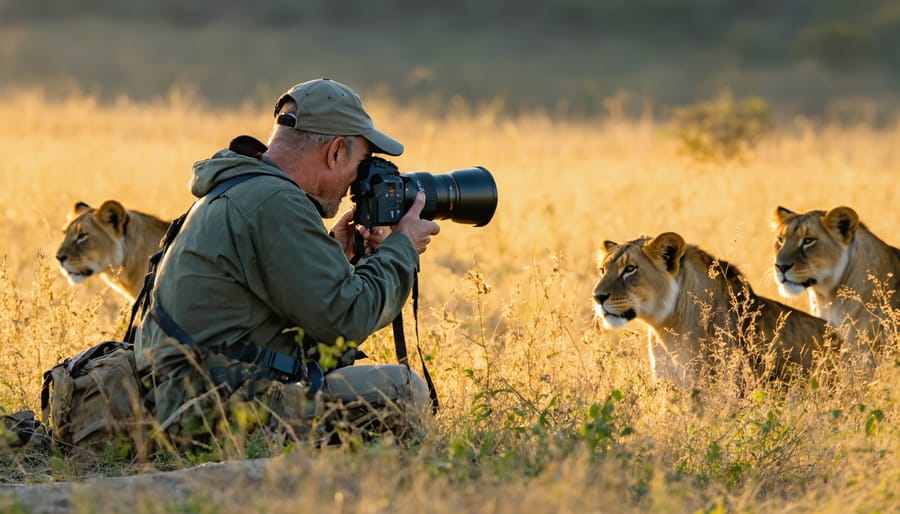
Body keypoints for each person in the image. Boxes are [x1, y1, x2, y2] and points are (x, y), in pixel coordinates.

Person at [134, 77, 441, 450]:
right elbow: (347, 320)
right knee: (403, 389)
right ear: (335, 151)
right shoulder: (274, 203)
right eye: (360, 165)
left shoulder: (242, 186)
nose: (354, 185)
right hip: (208, 410)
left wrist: (332, 257)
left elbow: (282, 310)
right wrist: (402, 248)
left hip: (185, 395)